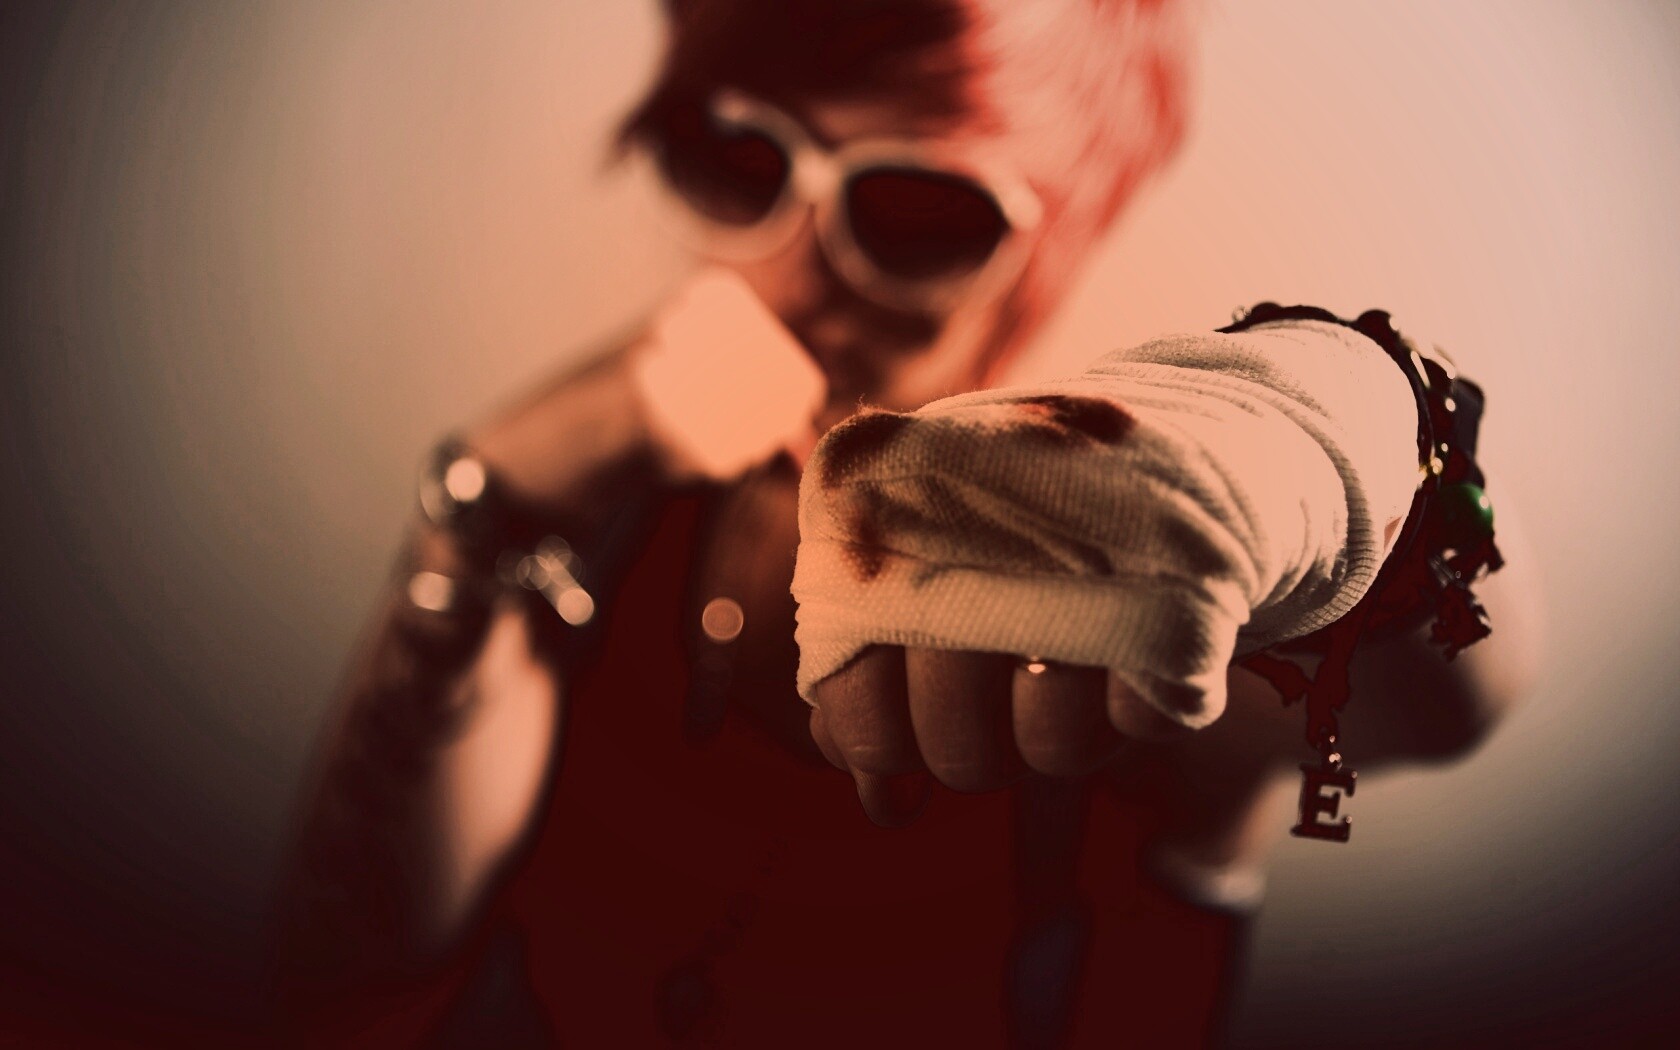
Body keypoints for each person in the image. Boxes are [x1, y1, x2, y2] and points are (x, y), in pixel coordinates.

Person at [273, 1, 1539, 1045]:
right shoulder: (616, 524)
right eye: (737, 156)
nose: (798, 268)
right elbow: (352, 958)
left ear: (1060, 233)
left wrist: (1333, 440)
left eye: (918, 207)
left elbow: (1444, 703)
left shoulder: (1127, 587)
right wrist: (494, 490)